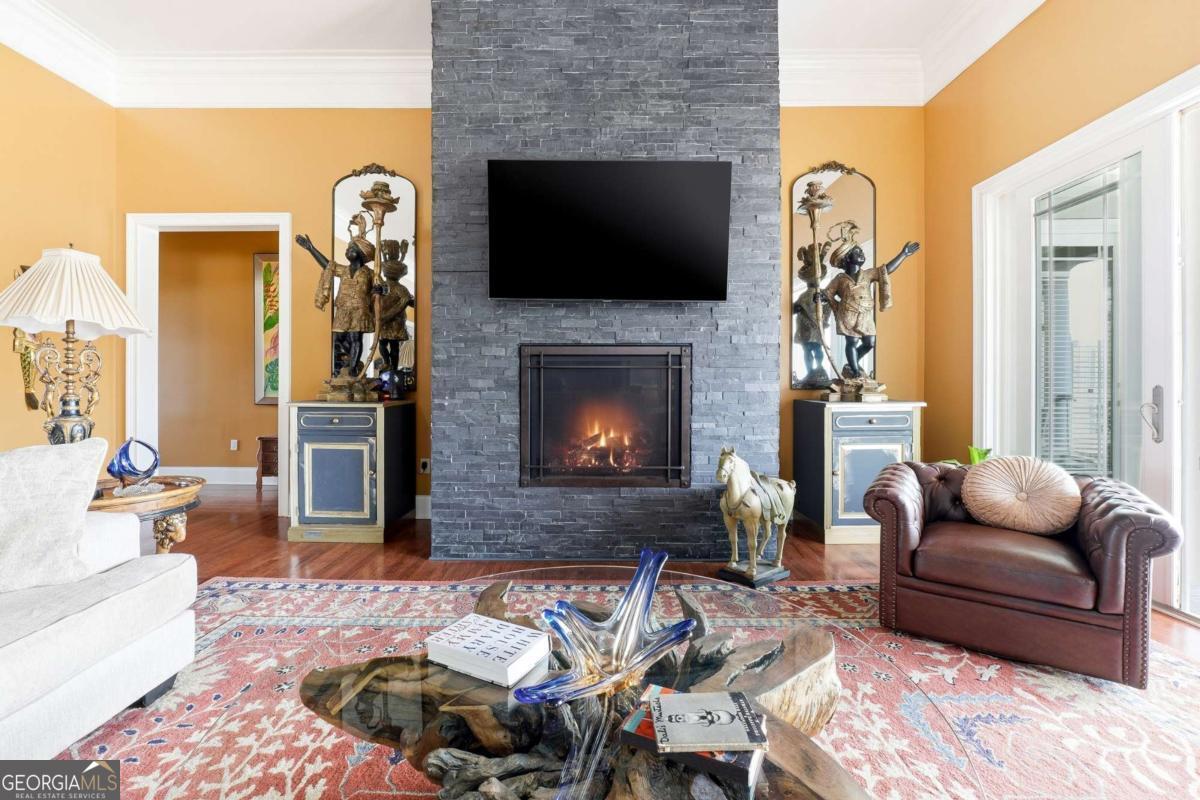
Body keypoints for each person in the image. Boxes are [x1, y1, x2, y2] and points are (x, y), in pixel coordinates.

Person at [824, 240, 920, 378]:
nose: (861, 253)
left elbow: (886, 270)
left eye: (861, 251)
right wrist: (820, 297)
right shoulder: (840, 278)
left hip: (866, 315)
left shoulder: (868, 274)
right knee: (852, 342)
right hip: (848, 315)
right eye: (857, 252)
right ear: (847, 257)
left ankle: (853, 363)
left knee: (870, 343)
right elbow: (828, 293)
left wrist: (903, 254)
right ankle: (856, 373)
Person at [296, 218, 377, 376]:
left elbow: (380, 289)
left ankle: (353, 370)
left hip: (360, 311)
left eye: (351, 249)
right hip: (342, 309)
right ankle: (337, 368)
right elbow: (328, 265)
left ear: (361, 253)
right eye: (347, 248)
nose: (347, 251)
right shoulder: (344, 270)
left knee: (355, 338)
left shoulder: (370, 273)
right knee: (336, 338)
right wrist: (310, 248)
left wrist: (380, 290)